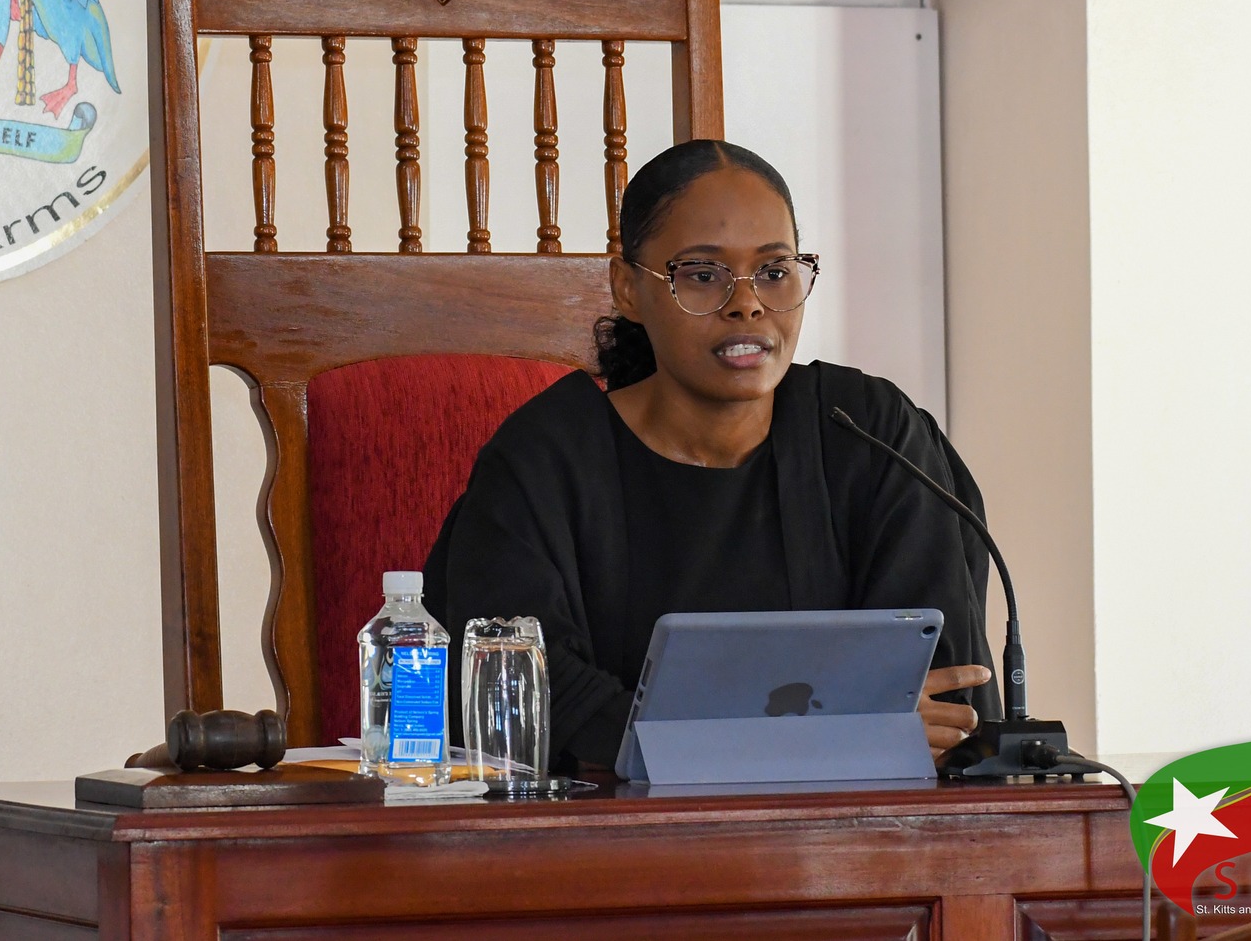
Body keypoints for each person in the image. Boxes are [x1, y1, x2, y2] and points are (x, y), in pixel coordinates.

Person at [423, 139, 999, 772]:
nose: (746, 304)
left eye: (775, 272)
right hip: (614, 846)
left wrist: (721, 740)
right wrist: (819, 738)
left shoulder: (867, 429)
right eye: (703, 274)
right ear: (628, 289)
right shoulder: (546, 458)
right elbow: (527, 695)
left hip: (853, 843)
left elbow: (941, 689)